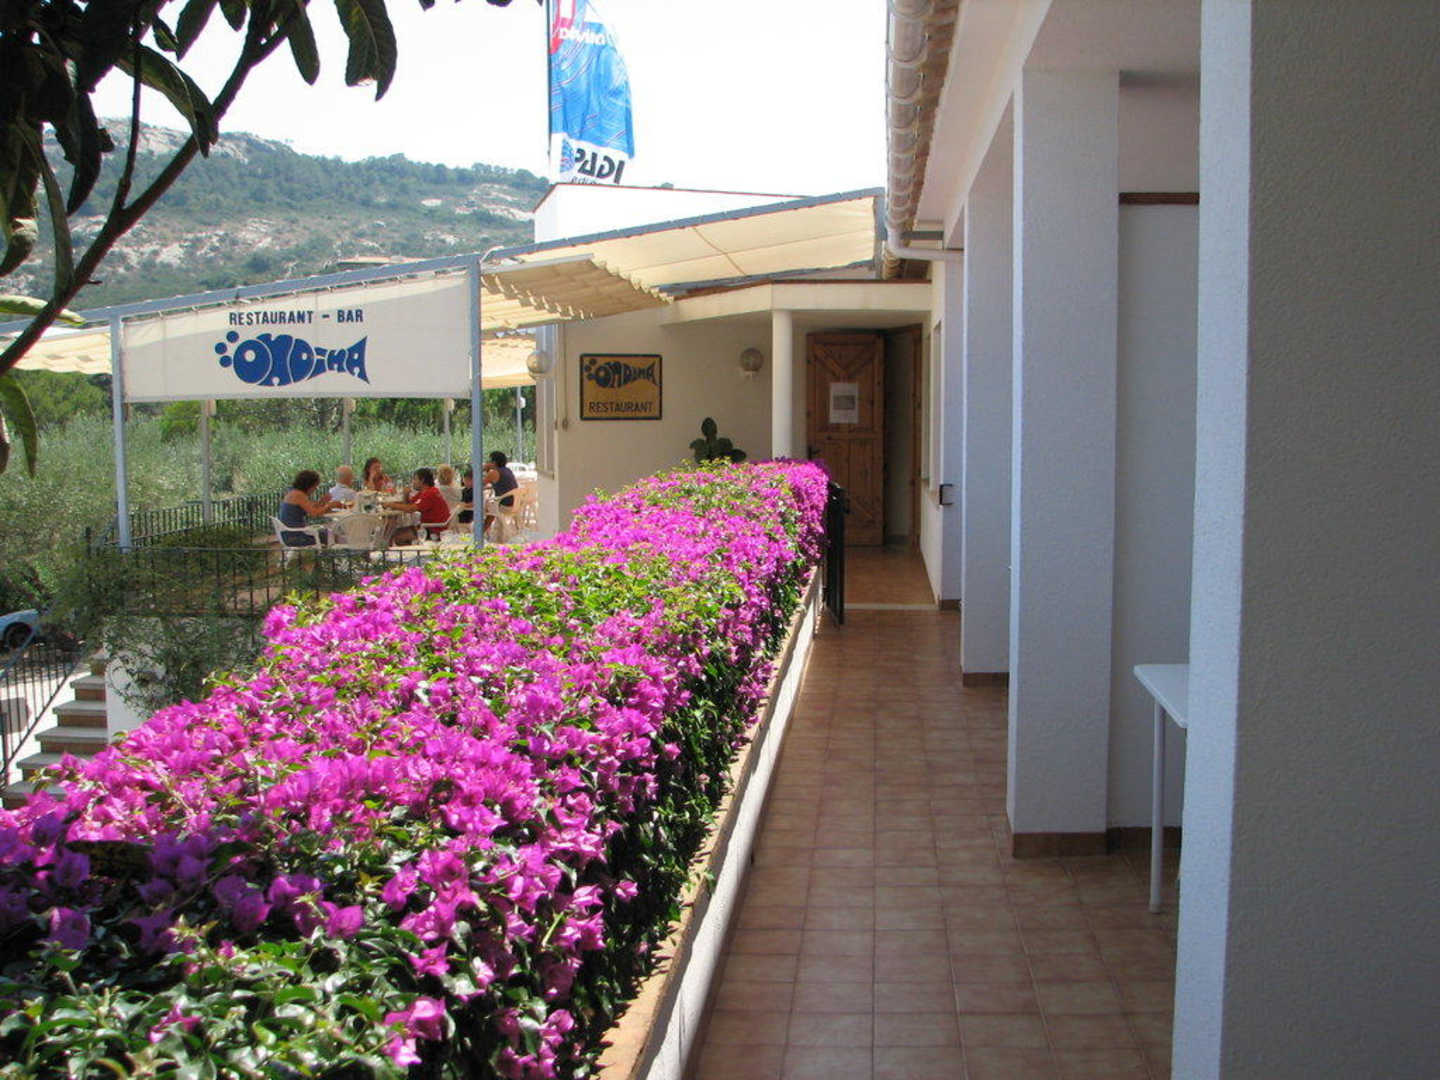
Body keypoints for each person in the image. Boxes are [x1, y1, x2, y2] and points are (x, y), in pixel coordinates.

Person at [385, 468, 452, 543]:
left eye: (415, 479)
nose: (413, 482)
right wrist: (405, 495)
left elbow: (410, 509)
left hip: (433, 530)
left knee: (393, 535)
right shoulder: (427, 491)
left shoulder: (429, 494)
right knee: (392, 532)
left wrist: (390, 505)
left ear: (422, 480)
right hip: (429, 527)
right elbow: (409, 505)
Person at [277, 470, 338, 547]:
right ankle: (331, 553)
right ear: (308, 485)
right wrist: (329, 506)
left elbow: (310, 507)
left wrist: (322, 502)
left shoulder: (293, 492)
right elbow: (314, 513)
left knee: (328, 533)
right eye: (315, 486)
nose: (315, 489)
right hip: (295, 537)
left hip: (289, 534)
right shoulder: (298, 495)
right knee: (330, 535)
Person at [483, 451, 519, 536]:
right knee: (491, 507)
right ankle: (487, 531)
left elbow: (479, 484)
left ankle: (481, 531)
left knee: (485, 506)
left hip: (505, 505)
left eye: (489, 461)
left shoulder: (494, 472)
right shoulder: (507, 470)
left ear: (494, 462)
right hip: (515, 502)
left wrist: (485, 469)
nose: (487, 462)